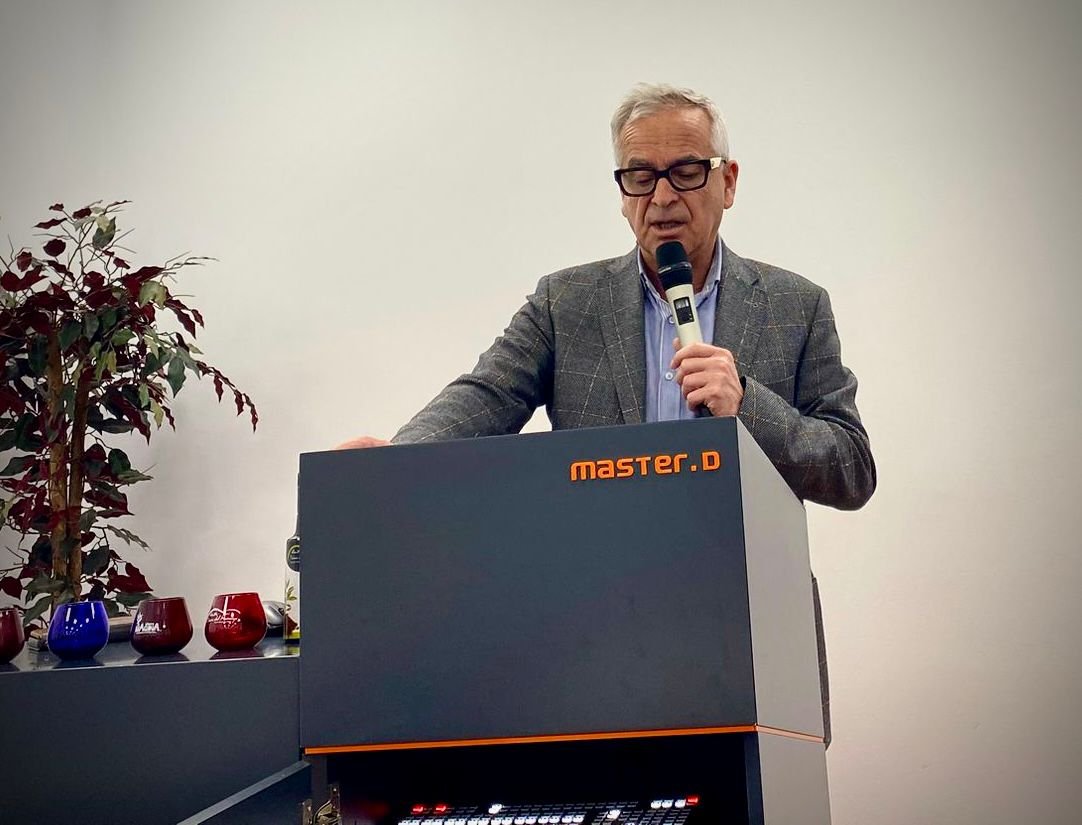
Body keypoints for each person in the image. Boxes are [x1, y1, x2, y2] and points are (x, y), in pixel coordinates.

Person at [339, 83, 876, 743]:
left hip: (752, 619)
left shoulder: (797, 305)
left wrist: (750, 404)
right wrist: (397, 460)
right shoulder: (568, 302)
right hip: (600, 622)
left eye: (685, 171)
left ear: (727, 181)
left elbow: (851, 466)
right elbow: (484, 396)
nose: (662, 198)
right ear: (622, 191)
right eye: (639, 176)